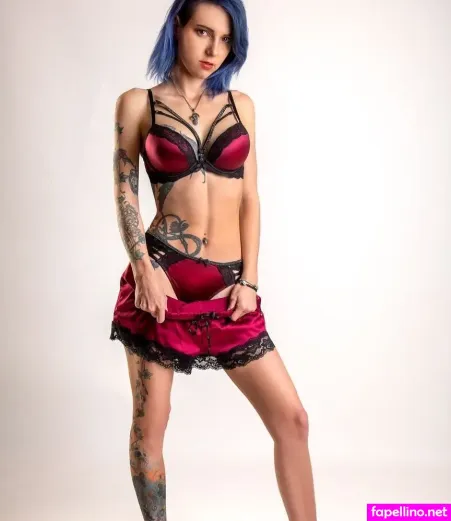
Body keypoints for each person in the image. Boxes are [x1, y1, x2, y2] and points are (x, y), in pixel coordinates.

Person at [109, 0, 317, 519]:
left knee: (292, 419)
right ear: (177, 26)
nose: (214, 49)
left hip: (229, 287)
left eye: (225, 39)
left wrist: (250, 280)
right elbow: (125, 192)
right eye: (203, 32)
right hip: (163, 278)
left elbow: (249, 199)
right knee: (150, 428)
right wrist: (143, 269)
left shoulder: (241, 105)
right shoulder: (137, 104)